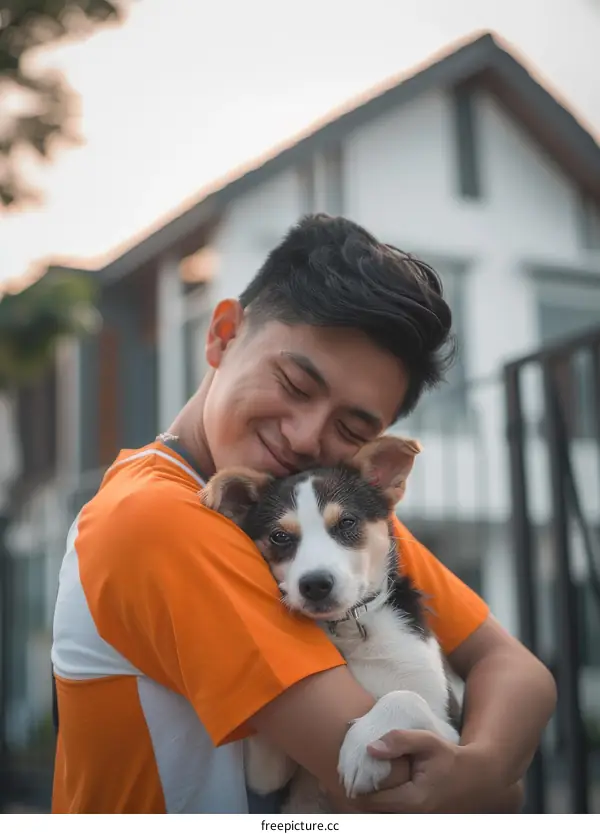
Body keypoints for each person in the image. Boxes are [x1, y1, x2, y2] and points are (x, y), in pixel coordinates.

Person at [51, 214, 556, 814]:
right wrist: (498, 785)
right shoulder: (156, 518)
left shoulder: (321, 515)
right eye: (294, 383)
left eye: (350, 426)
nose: (305, 437)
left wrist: (482, 768)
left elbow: (514, 666)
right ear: (222, 334)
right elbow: (399, 793)